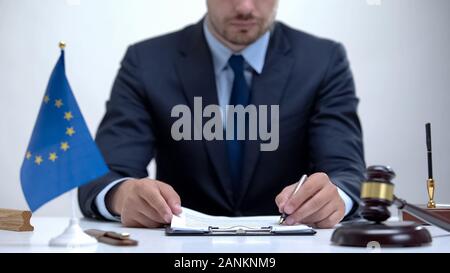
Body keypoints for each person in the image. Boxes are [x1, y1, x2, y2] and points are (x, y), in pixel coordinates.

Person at [79, 0, 365, 229]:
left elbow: (345, 172)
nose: (244, 7)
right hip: (180, 250)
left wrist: (334, 199)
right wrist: (124, 195)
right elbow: (104, 175)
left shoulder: (323, 61)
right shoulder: (146, 62)